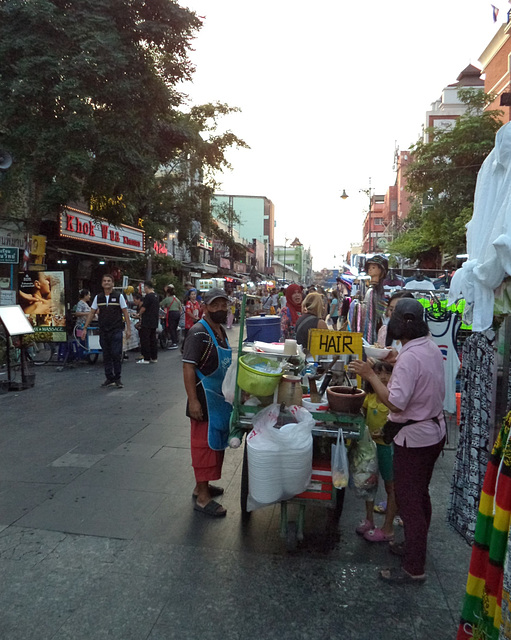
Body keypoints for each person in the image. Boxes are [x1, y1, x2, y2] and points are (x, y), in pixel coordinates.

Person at [349, 298, 446, 584]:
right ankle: (415, 547)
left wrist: (369, 374)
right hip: (434, 432)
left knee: (409, 502)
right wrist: (394, 357)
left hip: (415, 439)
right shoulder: (425, 346)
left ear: (403, 323)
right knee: (420, 496)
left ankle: (414, 568)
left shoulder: (411, 357)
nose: (387, 319)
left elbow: (395, 403)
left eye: (391, 315)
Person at [182, 288, 232, 518]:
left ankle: (201, 485)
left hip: (219, 400)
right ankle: (202, 498)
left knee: (214, 444)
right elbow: (188, 367)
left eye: (224, 304)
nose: (221, 308)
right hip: (203, 399)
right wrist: (193, 401)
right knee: (203, 446)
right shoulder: (198, 332)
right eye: (215, 305)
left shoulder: (220, 330)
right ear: (205, 307)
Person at [355, 360, 398, 544]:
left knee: (391, 487)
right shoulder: (369, 398)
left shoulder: (394, 401)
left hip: (388, 449)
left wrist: (383, 432)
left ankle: (388, 525)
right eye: (378, 373)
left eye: (387, 373)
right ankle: (369, 520)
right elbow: (362, 415)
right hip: (371, 449)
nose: (383, 377)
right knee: (369, 485)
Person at [82, 274, 131, 388]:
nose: (107, 282)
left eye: (109, 281)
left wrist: (128, 329)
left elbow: (125, 312)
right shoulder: (98, 298)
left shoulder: (119, 296)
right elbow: (92, 312)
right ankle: (109, 378)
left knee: (116, 353)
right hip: (103, 330)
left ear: (113, 283)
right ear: (102, 283)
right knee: (106, 354)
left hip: (116, 329)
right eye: (104, 281)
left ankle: (117, 378)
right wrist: (85, 327)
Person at [136, 281, 160, 364]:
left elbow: (144, 308)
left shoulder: (148, 296)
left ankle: (146, 358)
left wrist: (138, 314)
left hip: (147, 321)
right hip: (154, 320)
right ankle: (154, 357)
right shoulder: (156, 296)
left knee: (145, 339)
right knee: (153, 339)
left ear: (146, 287)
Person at [161, 284, 181, 349]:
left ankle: (174, 343)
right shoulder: (177, 299)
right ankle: (175, 340)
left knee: (171, 328)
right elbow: (180, 307)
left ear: (168, 292)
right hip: (178, 313)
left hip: (171, 313)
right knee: (175, 328)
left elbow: (160, 304)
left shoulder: (167, 299)